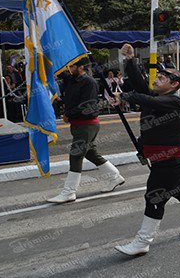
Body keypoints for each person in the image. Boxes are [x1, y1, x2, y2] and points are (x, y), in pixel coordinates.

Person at [112, 43, 180, 256]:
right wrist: (130, 61)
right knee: (179, 190)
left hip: (171, 161)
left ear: (174, 84)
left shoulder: (176, 103)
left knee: (154, 196)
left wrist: (125, 97)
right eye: (156, 77)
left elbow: (142, 97)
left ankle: (142, 242)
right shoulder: (158, 98)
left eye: (162, 78)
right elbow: (140, 88)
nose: (156, 79)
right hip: (166, 160)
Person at [47, 58, 125, 204]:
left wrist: (68, 114)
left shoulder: (89, 83)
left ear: (81, 67)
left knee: (76, 155)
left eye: (72, 66)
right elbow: (59, 70)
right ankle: (114, 177)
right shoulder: (72, 79)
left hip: (87, 124)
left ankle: (69, 192)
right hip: (78, 124)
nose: (69, 68)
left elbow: (87, 105)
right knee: (90, 153)